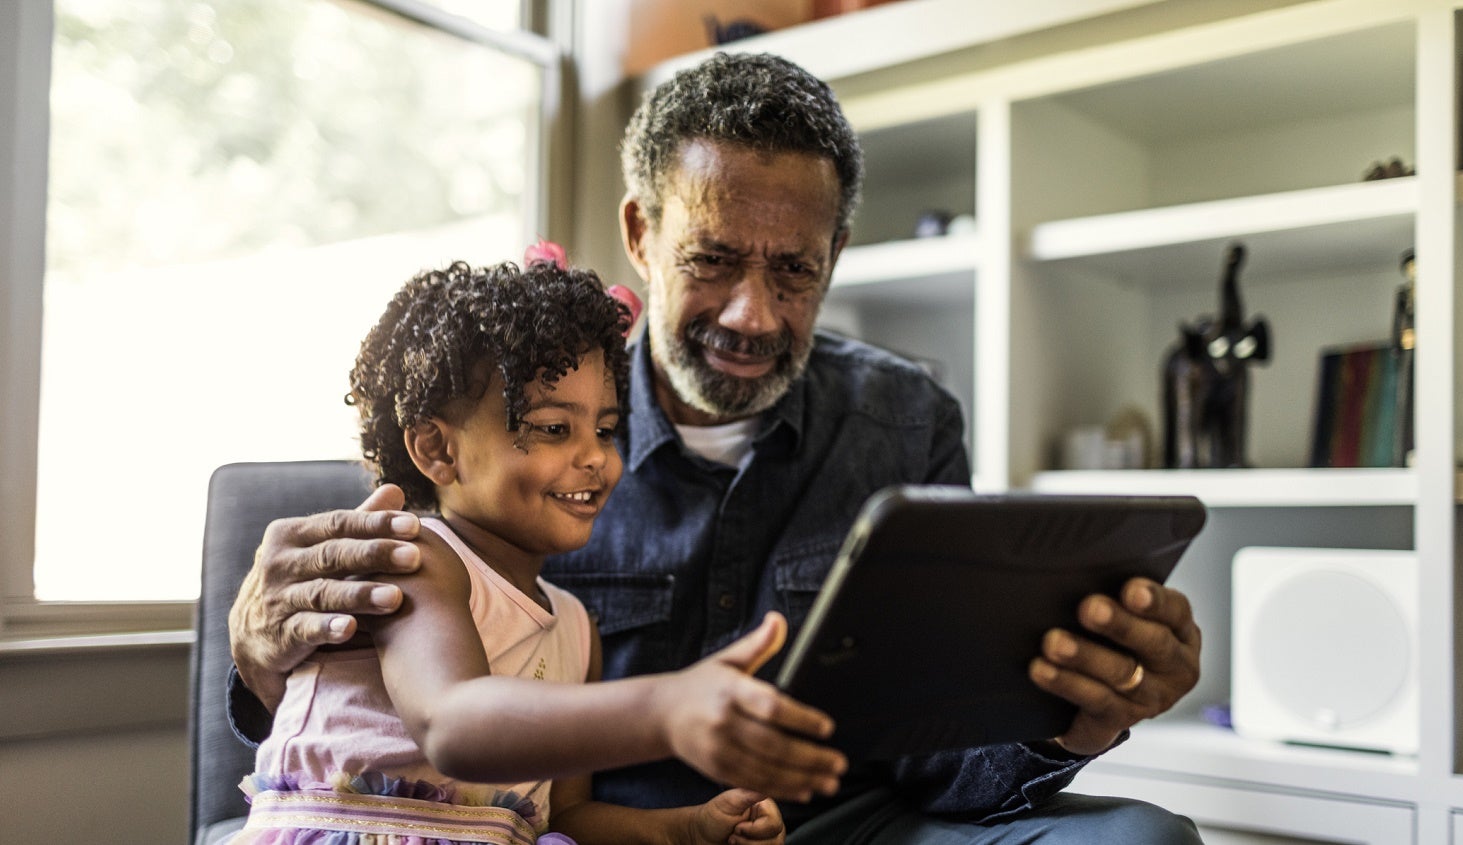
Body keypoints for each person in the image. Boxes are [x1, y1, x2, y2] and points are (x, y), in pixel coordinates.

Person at [229, 53, 1206, 843]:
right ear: (641, 235)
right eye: (712, 259)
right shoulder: (512, 414)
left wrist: (1077, 719)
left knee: (1140, 838)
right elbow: (379, 699)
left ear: (835, 256)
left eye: (794, 271)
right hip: (612, 828)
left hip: (851, 820)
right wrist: (261, 658)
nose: (753, 314)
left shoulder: (905, 420)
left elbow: (944, 764)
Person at [231, 256, 837, 845]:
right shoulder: (413, 559)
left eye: (604, 429)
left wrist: (685, 828)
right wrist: (662, 710)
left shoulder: (575, 628)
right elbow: (453, 722)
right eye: (553, 428)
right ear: (438, 451)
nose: (596, 457)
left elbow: (560, 817)